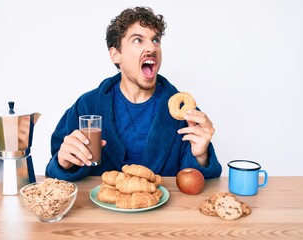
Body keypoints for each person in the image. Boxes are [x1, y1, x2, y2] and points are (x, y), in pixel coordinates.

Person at [45, 6, 222, 181]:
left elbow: (198, 182)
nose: (151, 48)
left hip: (164, 208)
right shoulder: (87, 105)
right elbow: (55, 171)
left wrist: (201, 156)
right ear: (116, 55)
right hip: (98, 208)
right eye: (138, 40)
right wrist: (63, 162)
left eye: (155, 40)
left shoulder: (184, 112)